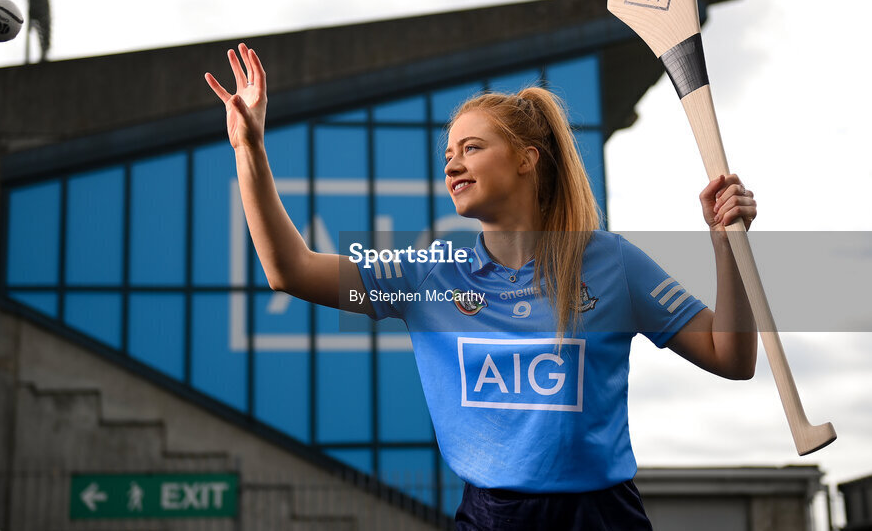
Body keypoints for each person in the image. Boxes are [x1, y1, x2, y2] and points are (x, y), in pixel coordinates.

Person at [205, 43, 758, 530]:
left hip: (603, 516)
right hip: (493, 518)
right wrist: (248, 149)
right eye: (448, 155)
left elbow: (730, 356)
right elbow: (290, 270)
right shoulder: (428, 276)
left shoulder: (612, 262)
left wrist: (727, 245)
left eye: (471, 148)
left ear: (526, 159)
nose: (452, 166)